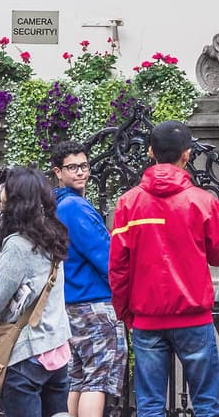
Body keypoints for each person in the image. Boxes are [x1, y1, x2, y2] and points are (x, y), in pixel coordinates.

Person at [109, 120, 219, 417]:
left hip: (147, 318)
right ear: (187, 155)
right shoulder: (203, 202)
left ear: (151, 152)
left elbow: (117, 269)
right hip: (193, 317)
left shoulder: (128, 203)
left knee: (150, 405)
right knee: (206, 403)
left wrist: (126, 313)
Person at [0, 167, 72, 417]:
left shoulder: (18, 246)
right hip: (56, 349)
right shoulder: (53, 236)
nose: (0, 191)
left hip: (27, 356)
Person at [50, 140, 126, 417]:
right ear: (58, 172)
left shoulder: (56, 206)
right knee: (98, 379)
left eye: (84, 166)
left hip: (69, 304)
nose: (80, 172)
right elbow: (106, 257)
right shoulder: (75, 208)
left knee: (77, 377)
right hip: (93, 303)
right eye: (72, 167)